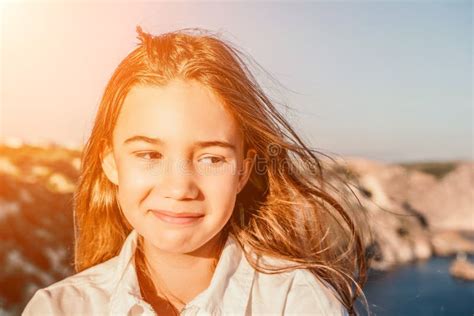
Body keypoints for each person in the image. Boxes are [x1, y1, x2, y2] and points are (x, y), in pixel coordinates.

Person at [22, 25, 367, 315]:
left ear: (243, 172)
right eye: (149, 154)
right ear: (110, 162)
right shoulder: (59, 308)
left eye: (212, 158)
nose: (179, 187)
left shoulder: (297, 302)